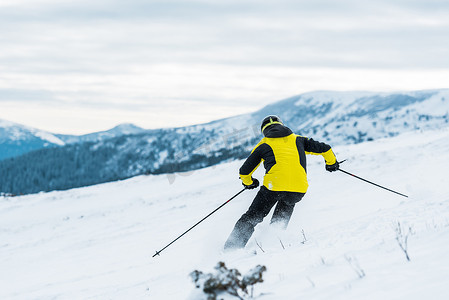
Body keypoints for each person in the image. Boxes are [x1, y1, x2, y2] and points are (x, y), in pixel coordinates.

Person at [224, 115, 339, 250]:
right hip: (298, 188)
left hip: (274, 187)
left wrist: (249, 182)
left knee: (253, 216)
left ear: (264, 130)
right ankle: (273, 242)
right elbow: (325, 148)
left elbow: (244, 171)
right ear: (281, 125)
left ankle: (231, 248)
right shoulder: (298, 140)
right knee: (283, 212)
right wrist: (331, 164)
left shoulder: (264, 144)